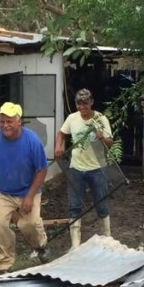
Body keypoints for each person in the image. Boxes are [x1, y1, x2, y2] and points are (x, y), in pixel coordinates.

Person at [0, 102, 50, 273]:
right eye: (2, 121)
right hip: (3, 191)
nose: (5, 125)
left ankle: (41, 246)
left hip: (28, 190)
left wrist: (30, 196)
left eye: (9, 121)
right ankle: (4, 265)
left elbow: (42, 170)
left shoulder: (32, 141)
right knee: (1, 225)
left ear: (19, 121)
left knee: (29, 224)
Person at [55, 88, 113, 250]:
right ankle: (75, 244)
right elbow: (61, 133)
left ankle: (107, 238)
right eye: (79, 104)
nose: (82, 107)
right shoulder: (72, 118)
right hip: (76, 168)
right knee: (74, 205)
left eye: (85, 104)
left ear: (91, 103)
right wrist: (58, 146)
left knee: (101, 203)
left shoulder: (100, 119)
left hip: (97, 167)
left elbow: (110, 142)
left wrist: (102, 137)